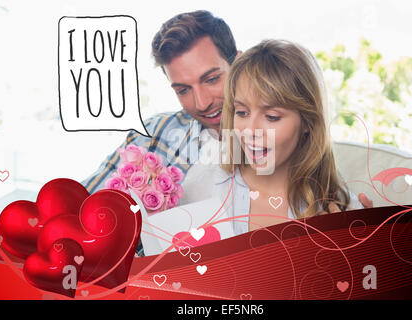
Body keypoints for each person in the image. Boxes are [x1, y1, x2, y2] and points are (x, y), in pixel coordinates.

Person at [82, 11, 373, 254]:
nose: (202, 102)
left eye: (211, 79)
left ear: (236, 65)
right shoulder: (163, 144)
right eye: (183, 90)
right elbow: (81, 211)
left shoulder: (326, 198)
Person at [210, 39, 364, 234]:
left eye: (271, 117)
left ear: (307, 122)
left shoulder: (342, 212)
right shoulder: (213, 188)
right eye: (241, 112)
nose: (250, 130)